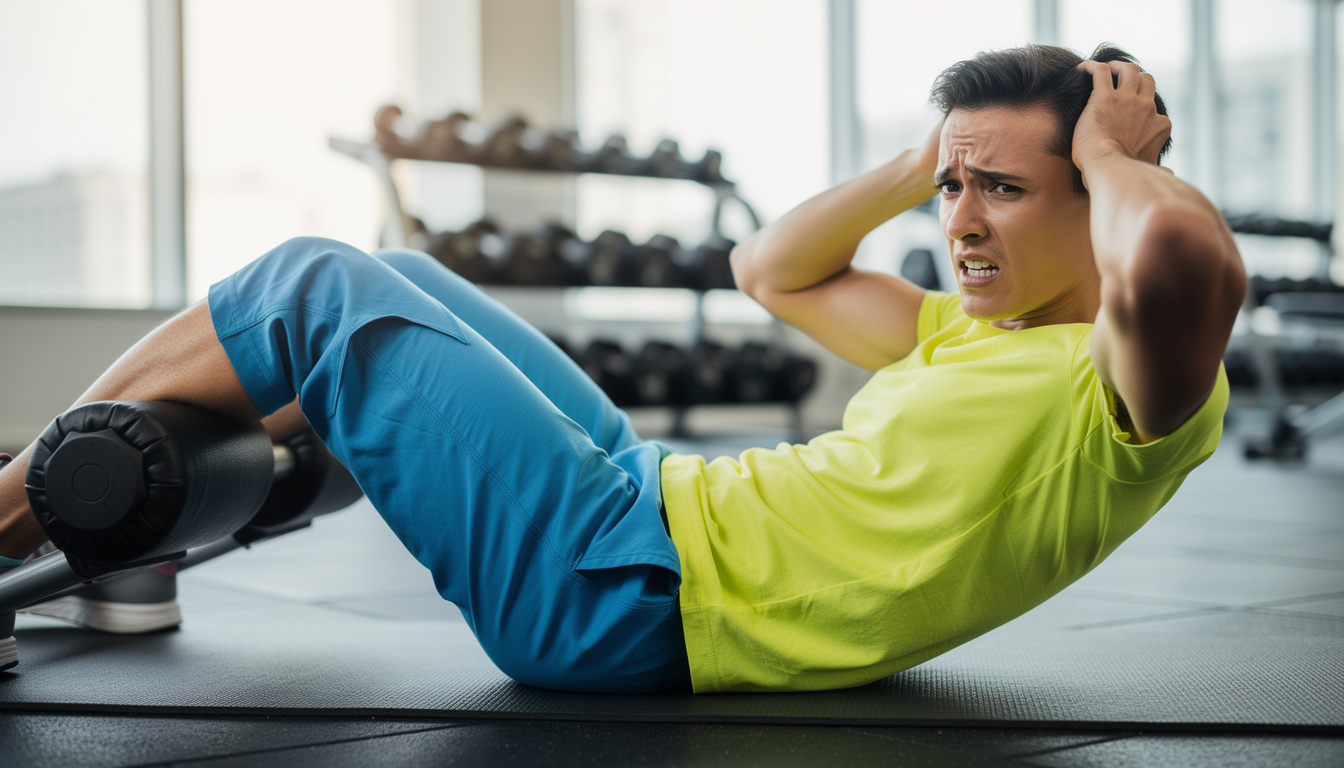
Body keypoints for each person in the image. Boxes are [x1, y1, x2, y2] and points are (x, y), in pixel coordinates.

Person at [0, 43, 1245, 693]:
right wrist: (941, 153)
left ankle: (6, 514)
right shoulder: (977, 327)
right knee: (413, 275)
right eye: (949, 191)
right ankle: (99, 538)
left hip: (625, 596)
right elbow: (771, 269)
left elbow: (1190, 261)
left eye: (1007, 192)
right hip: (648, 508)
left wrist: (1110, 143)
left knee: (307, 285)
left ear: (1100, 199)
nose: (960, 223)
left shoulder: (1128, 386)